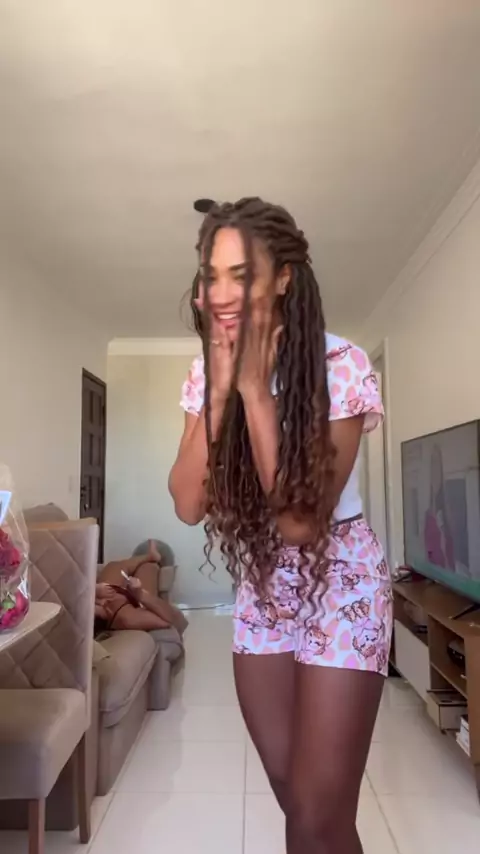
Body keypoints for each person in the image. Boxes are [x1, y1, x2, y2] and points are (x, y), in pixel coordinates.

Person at [169, 198, 392, 854]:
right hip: (265, 587)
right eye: (212, 275)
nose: (221, 293)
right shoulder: (204, 372)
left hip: (343, 580)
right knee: (298, 801)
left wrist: (254, 390)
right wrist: (218, 390)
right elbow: (187, 503)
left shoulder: (340, 363)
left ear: (285, 278)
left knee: (320, 815)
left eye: (242, 275)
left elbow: (300, 522)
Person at [94, 540, 187, 635]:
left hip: (102, 597)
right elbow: (178, 622)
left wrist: (94, 590)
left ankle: (150, 557)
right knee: (148, 567)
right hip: (118, 611)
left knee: (113, 566)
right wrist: (141, 595)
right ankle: (150, 559)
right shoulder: (126, 618)